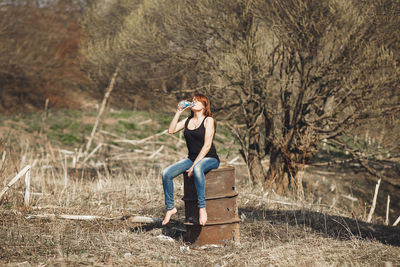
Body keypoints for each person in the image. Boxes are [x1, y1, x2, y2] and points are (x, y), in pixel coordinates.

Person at [161, 93, 220, 226]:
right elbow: (171, 130)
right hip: (191, 158)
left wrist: (194, 165)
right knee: (166, 173)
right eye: (193, 100)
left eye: (198, 101)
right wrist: (178, 112)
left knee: (198, 168)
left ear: (204, 106)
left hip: (209, 158)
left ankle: (202, 208)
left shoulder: (208, 120)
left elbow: (207, 146)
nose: (194, 102)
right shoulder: (187, 120)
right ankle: (170, 208)